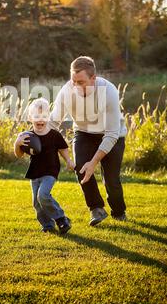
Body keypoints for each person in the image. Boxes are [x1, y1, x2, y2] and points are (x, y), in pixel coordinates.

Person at [49, 56, 127, 226]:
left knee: (111, 180)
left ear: (94, 78)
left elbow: (112, 134)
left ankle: (119, 212)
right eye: (73, 81)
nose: (76, 86)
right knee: (82, 168)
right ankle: (96, 209)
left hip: (113, 135)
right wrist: (36, 137)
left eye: (81, 82)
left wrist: (94, 162)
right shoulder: (66, 91)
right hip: (84, 133)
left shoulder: (109, 91)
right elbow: (53, 122)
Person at [14, 97, 75, 234]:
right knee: (36, 202)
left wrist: (69, 160)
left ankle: (61, 218)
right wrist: (17, 144)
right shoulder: (27, 136)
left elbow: (62, 148)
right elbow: (18, 154)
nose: (40, 119)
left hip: (50, 170)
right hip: (35, 172)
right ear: (30, 117)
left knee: (43, 195)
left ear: (48, 117)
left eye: (44, 116)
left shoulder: (54, 135)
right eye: (36, 116)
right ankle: (47, 225)